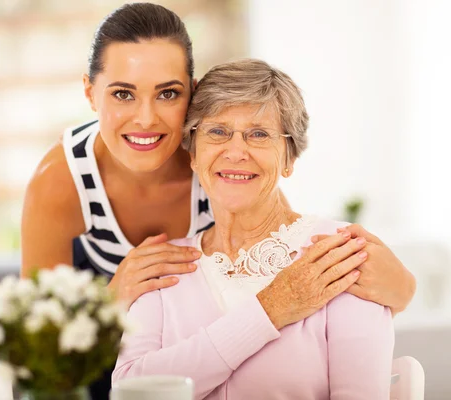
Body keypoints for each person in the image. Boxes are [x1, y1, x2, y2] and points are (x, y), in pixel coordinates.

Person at [21, 3, 413, 399]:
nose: (145, 119)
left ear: (188, 95)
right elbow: (45, 351)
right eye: (123, 93)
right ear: (90, 92)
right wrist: (113, 298)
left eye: (167, 94)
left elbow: (272, 215)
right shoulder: (62, 180)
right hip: (84, 350)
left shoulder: (224, 165)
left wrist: (400, 285)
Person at [112, 58, 395, 399]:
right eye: (217, 131)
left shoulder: (337, 252)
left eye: (259, 134)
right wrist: (268, 310)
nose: (235, 152)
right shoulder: (162, 267)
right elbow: (132, 391)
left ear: (289, 159)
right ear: (193, 153)